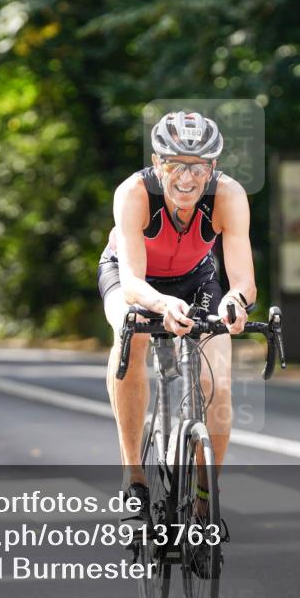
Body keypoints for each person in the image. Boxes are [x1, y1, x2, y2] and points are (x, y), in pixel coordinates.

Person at [99, 111, 256, 516]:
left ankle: (206, 501)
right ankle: (133, 477)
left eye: (198, 167)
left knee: (216, 381)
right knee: (129, 332)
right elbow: (133, 281)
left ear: (213, 168)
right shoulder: (134, 193)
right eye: (175, 165)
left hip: (196, 278)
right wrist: (160, 304)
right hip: (132, 276)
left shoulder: (229, 196)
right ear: (157, 163)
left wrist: (233, 302)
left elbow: (243, 280)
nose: (186, 178)